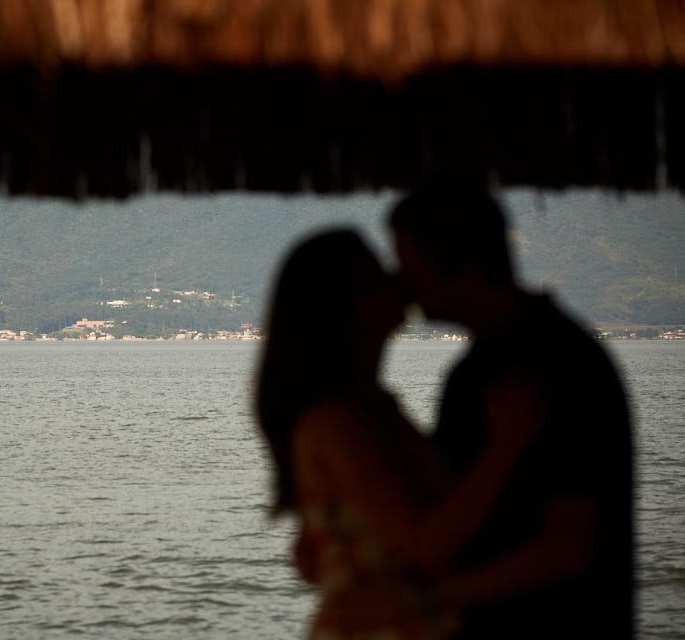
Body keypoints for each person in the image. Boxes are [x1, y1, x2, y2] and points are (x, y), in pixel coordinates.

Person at [256, 229, 540, 639]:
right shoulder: (340, 422)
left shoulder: (371, 409)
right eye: (377, 275)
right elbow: (423, 546)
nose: (396, 281)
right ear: (346, 305)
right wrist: (509, 443)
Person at [385, 182, 634, 638]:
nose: (401, 281)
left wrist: (423, 599)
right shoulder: (483, 369)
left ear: (460, 262)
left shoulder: (555, 365)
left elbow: (567, 547)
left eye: (409, 265)